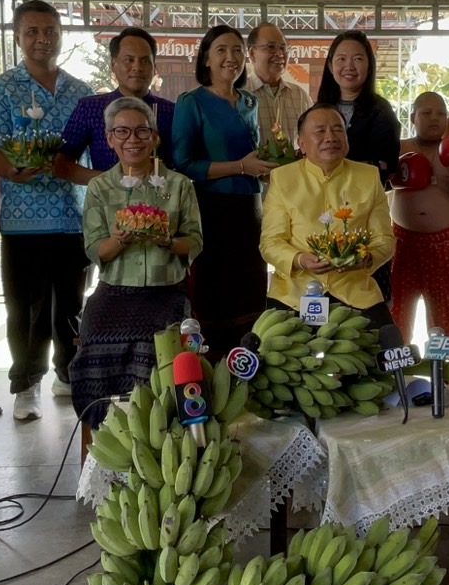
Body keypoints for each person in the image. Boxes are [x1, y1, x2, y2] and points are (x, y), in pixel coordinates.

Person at [0, 0, 95, 419]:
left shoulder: (80, 93)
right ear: (18, 36)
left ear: (61, 35)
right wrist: (11, 169)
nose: (42, 39)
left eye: (50, 31)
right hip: (23, 220)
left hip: (71, 216)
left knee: (70, 304)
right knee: (26, 309)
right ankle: (25, 385)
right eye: (33, 32)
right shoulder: (1, 89)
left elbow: (88, 154)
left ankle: (67, 374)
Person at [69, 97, 202, 425]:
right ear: (110, 138)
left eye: (142, 132)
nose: (133, 140)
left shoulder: (178, 185)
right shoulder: (99, 187)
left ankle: (157, 424)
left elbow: (195, 242)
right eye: (122, 132)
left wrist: (168, 241)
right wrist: (118, 240)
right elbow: (95, 250)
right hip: (114, 291)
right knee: (95, 336)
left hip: (166, 291)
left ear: (155, 137)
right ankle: (104, 423)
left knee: (156, 342)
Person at [171, 25, 277, 352]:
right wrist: (242, 167)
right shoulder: (192, 102)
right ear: (205, 59)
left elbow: (255, 153)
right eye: (221, 50)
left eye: (236, 51)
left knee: (251, 285)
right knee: (213, 289)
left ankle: (247, 362)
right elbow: (184, 162)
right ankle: (213, 365)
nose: (230, 58)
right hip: (210, 209)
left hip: (251, 208)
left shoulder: (249, 101)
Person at [261, 105, 396, 325]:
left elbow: (385, 240)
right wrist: (300, 259)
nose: (330, 137)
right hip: (294, 294)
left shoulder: (369, 177)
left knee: (389, 352)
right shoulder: (283, 178)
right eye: (319, 131)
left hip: (355, 293)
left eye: (337, 130)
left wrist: (365, 258)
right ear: (301, 143)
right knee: (273, 352)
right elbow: (270, 243)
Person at [389, 91, 449, 347]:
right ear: (413, 117)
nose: (434, 119)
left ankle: (442, 374)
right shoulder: (398, 147)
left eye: (441, 114)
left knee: (447, 313)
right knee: (397, 312)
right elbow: (376, 186)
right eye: (426, 113)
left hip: (445, 244)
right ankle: (399, 373)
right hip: (403, 244)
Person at [56, 26, 175, 177]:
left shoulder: (172, 112)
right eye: (129, 60)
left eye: (145, 61)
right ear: (113, 65)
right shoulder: (90, 108)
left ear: (154, 68)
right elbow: (61, 164)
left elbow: (185, 163)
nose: (137, 67)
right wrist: (110, 183)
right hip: (107, 199)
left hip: (161, 198)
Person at [318, 30, 402, 182]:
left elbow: (386, 166)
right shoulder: (319, 109)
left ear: (369, 65)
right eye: (341, 59)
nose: (349, 66)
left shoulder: (381, 111)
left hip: (362, 199)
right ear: (330, 66)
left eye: (357, 59)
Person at [246, 23, 311, 152]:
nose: (280, 54)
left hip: (291, 171)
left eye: (283, 47)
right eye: (271, 47)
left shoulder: (300, 95)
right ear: (253, 54)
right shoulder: (238, 94)